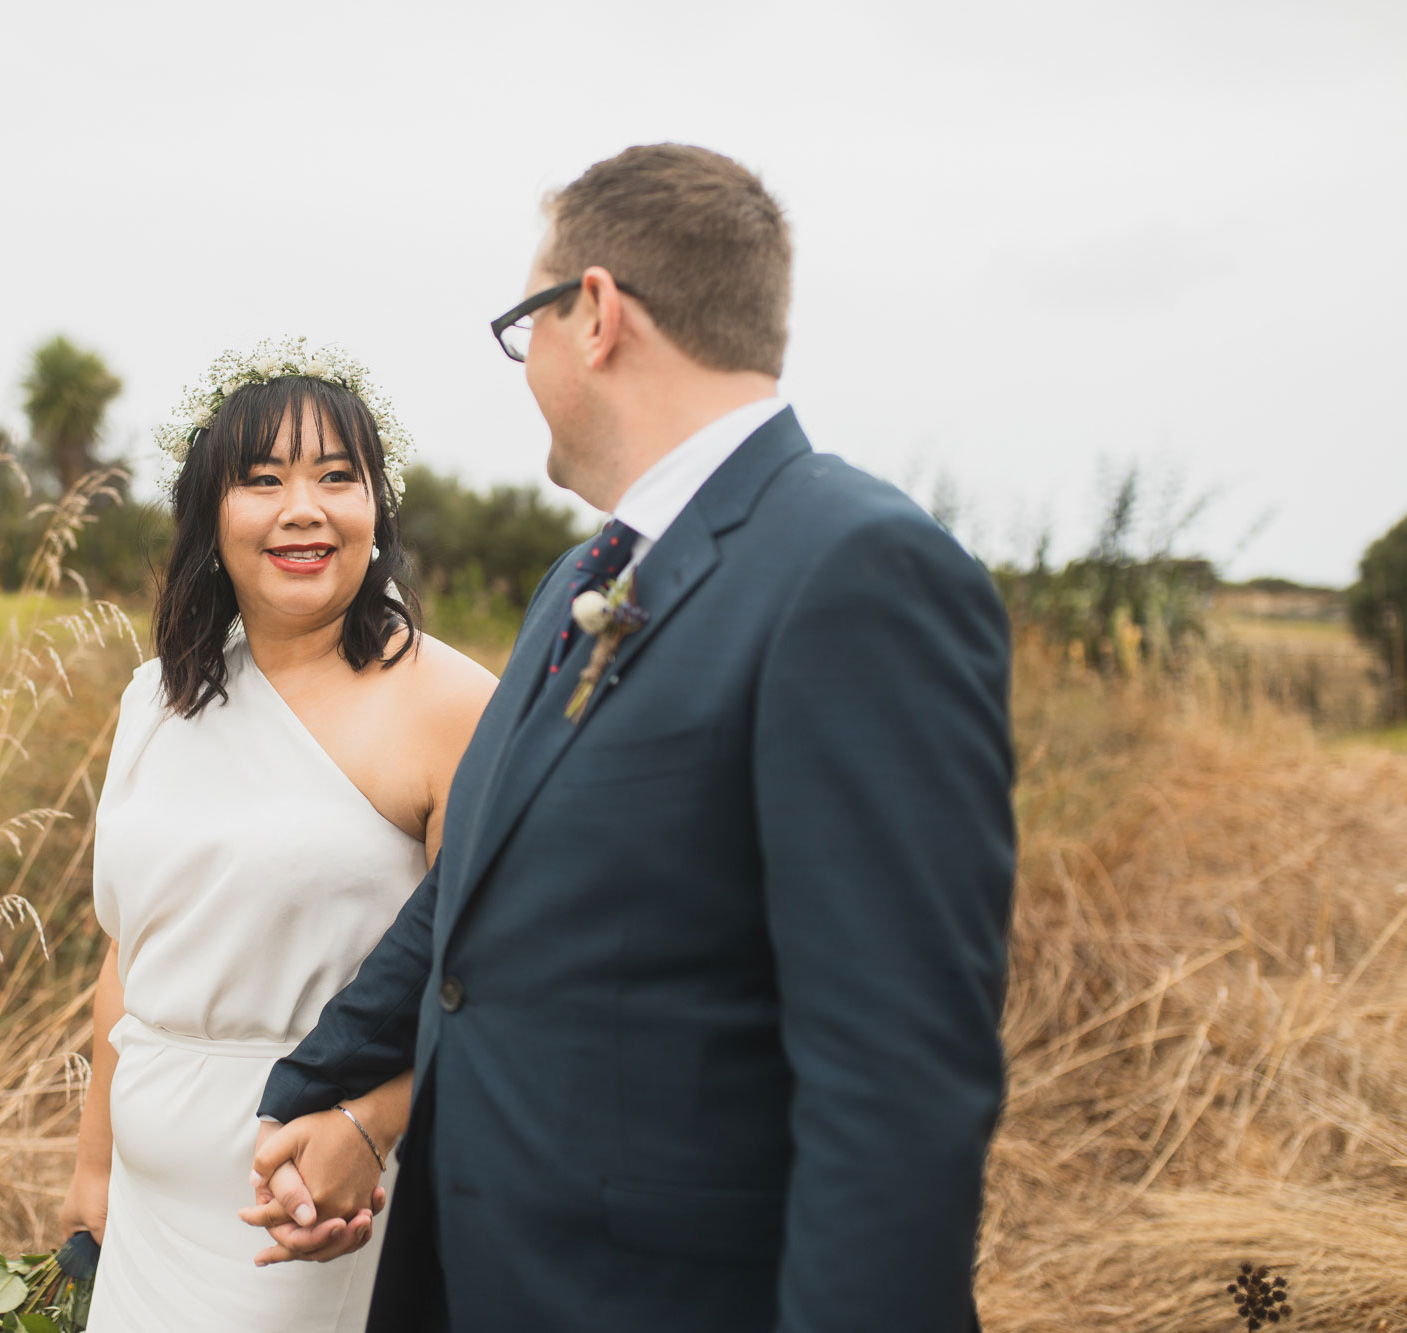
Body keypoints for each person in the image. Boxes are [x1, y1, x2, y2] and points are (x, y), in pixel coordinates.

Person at [244, 144, 1017, 1332]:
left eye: (525, 326)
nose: (526, 367)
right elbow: (477, 888)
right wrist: (304, 1090)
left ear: (593, 313)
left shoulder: (855, 569)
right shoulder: (580, 578)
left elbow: (895, 1088)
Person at [55, 340, 497, 1333]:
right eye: (263, 481)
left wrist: (365, 1128)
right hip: (147, 1201)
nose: (304, 507)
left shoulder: (450, 703)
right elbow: (129, 954)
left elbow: (497, 972)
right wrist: (94, 1167)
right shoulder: (157, 698)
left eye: (336, 477)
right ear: (211, 515)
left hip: (309, 1189)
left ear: (376, 507)